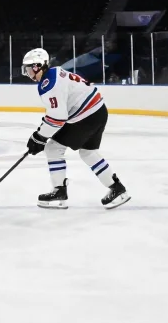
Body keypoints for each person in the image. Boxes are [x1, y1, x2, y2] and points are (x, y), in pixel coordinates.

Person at [20, 47, 130, 209]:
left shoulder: (48, 84)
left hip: (85, 116)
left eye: (29, 69)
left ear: (38, 67)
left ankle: (59, 192)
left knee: (52, 148)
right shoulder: (56, 72)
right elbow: (58, 114)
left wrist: (39, 137)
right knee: (88, 152)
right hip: (98, 111)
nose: (27, 73)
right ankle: (117, 189)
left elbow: (58, 117)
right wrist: (41, 135)